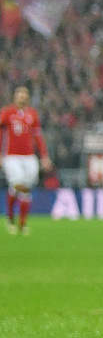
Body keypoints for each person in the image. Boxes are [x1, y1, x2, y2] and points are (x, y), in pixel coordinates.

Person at [2, 87, 51, 236]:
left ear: (27, 97)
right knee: (18, 182)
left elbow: (38, 136)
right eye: (19, 94)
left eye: (24, 94)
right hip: (12, 156)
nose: (22, 97)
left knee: (25, 190)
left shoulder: (32, 114)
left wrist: (44, 156)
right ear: (14, 97)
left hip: (29, 157)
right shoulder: (7, 112)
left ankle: (22, 224)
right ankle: (10, 218)